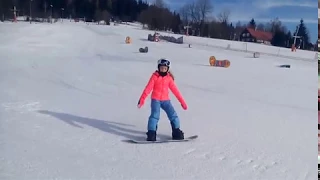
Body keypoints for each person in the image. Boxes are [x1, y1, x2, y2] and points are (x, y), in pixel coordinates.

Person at [137, 59, 188, 141]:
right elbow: (148, 88)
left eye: (165, 68)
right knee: (155, 116)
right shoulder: (154, 77)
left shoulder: (169, 79)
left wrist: (182, 102)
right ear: (158, 68)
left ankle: (176, 131)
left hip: (166, 100)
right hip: (156, 100)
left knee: (173, 115)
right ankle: (151, 133)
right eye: (161, 68)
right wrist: (142, 100)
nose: (163, 70)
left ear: (167, 69)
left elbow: (176, 91)